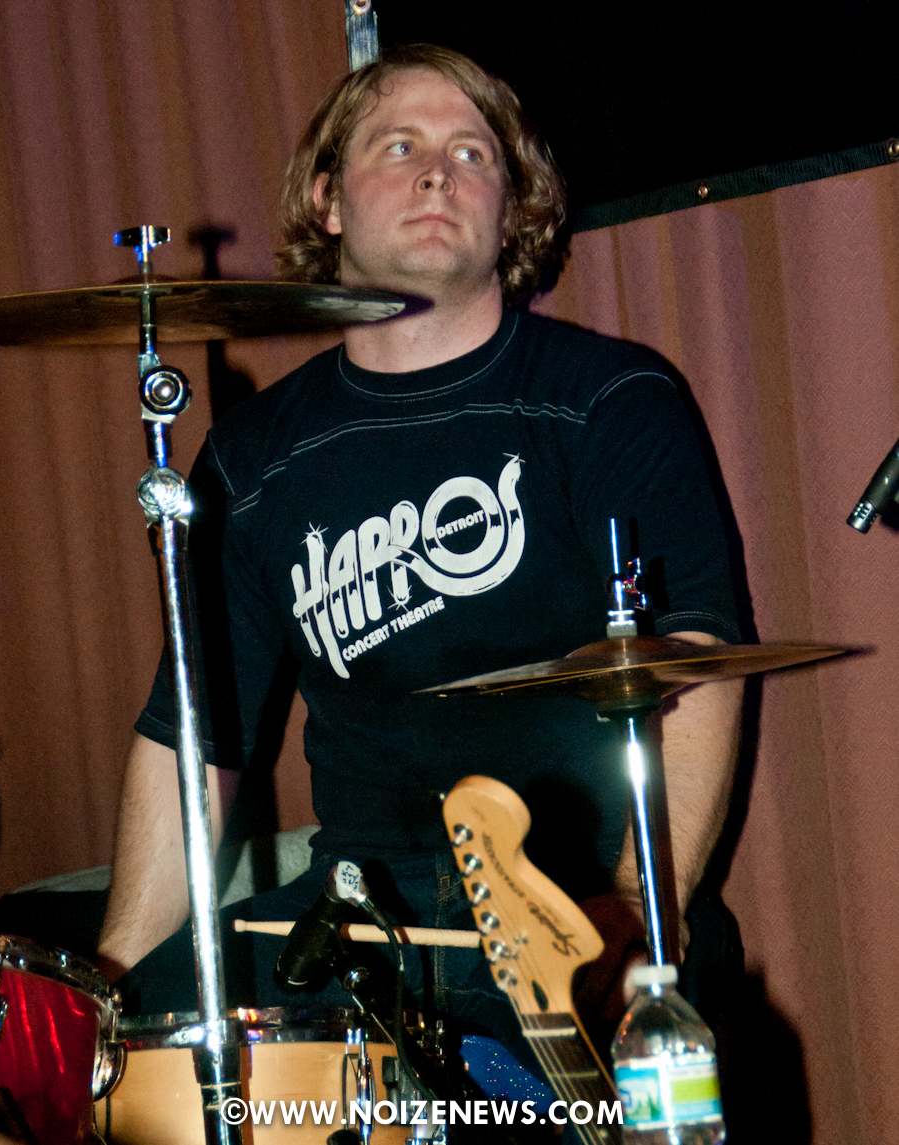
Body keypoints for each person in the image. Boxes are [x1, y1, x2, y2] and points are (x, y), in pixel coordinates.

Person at [98, 43, 743, 1073]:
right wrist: (113, 989)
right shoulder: (255, 457)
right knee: (153, 1064)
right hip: (360, 910)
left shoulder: (607, 400)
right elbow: (194, 739)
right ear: (327, 200)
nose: (439, 173)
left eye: (471, 154)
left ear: (511, 211)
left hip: (567, 897)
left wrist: (631, 912)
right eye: (399, 147)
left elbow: (695, 668)